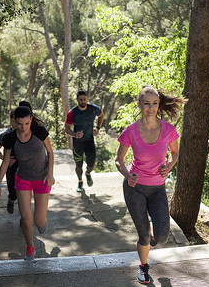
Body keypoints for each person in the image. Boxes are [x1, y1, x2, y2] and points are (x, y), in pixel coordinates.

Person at [115, 85, 184, 284]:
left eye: (155, 104)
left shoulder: (168, 130)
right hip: (134, 187)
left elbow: (175, 153)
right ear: (139, 105)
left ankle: (152, 230)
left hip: (157, 188)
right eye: (147, 104)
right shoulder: (130, 131)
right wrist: (127, 174)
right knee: (144, 235)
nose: (151, 108)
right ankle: (144, 268)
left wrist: (169, 165)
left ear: (158, 105)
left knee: (162, 236)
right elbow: (119, 159)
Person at [0, 105, 55, 260]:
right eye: (20, 124)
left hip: (41, 179)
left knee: (38, 221)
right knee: (26, 219)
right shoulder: (10, 138)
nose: (23, 127)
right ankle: (30, 248)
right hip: (23, 180)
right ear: (15, 122)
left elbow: (50, 152)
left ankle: (42, 222)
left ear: (30, 120)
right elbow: (5, 161)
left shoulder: (40, 132)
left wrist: (50, 173)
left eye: (26, 123)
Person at [64, 90, 104, 192]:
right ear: (77, 100)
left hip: (89, 141)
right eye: (80, 100)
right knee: (78, 165)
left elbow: (101, 115)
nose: (83, 102)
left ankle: (88, 173)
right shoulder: (72, 113)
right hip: (78, 143)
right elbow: (66, 128)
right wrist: (75, 134)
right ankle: (80, 181)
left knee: (91, 164)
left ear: (87, 99)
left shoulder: (93, 109)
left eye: (84, 99)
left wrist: (98, 128)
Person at [0, 110, 18, 214]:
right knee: (13, 192)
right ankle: (11, 199)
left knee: (24, 194)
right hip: (10, 166)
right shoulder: (4, 135)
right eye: (16, 120)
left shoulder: (27, 134)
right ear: (12, 120)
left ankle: (24, 219)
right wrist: (5, 159)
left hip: (23, 167)